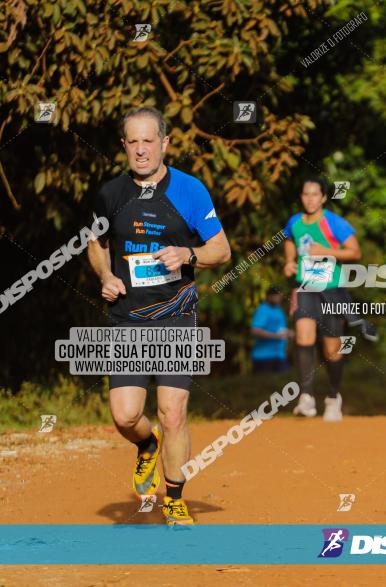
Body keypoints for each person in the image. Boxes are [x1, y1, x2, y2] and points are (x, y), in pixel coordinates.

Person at [87, 107, 231, 526]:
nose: (141, 149)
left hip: (177, 316)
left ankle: (174, 497)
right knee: (125, 415)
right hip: (127, 318)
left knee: (173, 412)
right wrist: (106, 274)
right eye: (133, 141)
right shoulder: (110, 195)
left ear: (165, 144)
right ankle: (146, 445)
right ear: (124, 147)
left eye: (149, 140)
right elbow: (95, 243)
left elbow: (221, 250)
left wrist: (189, 254)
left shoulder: (189, 190)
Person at [283, 176, 368, 422]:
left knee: (332, 348)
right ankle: (307, 397)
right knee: (303, 336)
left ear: (322, 198)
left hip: (332, 289)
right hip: (306, 287)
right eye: (305, 194)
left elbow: (355, 251)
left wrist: (326, 251)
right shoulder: (295, 222)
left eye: (314, 194)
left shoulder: (334, 223)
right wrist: (289, 262)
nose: (310, 199)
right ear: (301, 197)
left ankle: (333, 396)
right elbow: (290, 239)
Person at [251, 286, 290, 373]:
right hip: (264, 358)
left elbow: (281, 329)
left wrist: (289, 334)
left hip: (279, 356)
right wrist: (276, 336)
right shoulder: (263, 310)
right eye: (277, 296)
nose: (280, 298)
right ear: (269, 296)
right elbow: (255, 331)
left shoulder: (278, 310)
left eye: (280, 296)